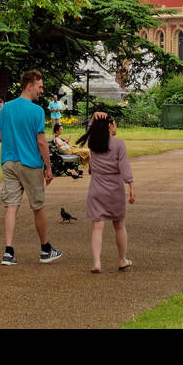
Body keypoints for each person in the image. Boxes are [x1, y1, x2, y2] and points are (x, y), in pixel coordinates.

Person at [0, 69, 61, 266]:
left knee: (11, 206)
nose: (41, 91)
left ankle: (8, 251)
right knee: (38, 206)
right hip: (30, 163)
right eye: (40, 87)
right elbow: (41, 142)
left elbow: (0, 137)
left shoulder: (6, 108)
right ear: (29, 85)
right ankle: (45, 249)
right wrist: (48, 168)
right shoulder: (37, 111)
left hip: (8, 161)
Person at [78, 112, 134, 273]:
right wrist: (131, 185)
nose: (116, 127)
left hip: (96, 188)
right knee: (119, 225)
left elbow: (90, 128)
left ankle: (97, 262)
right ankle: (122, 259)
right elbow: (124, 167)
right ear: (110, 126)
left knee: (97, 227)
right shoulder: (119, 144)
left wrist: (94, 117)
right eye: (115, 124)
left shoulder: (93, 143)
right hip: (115, 189)